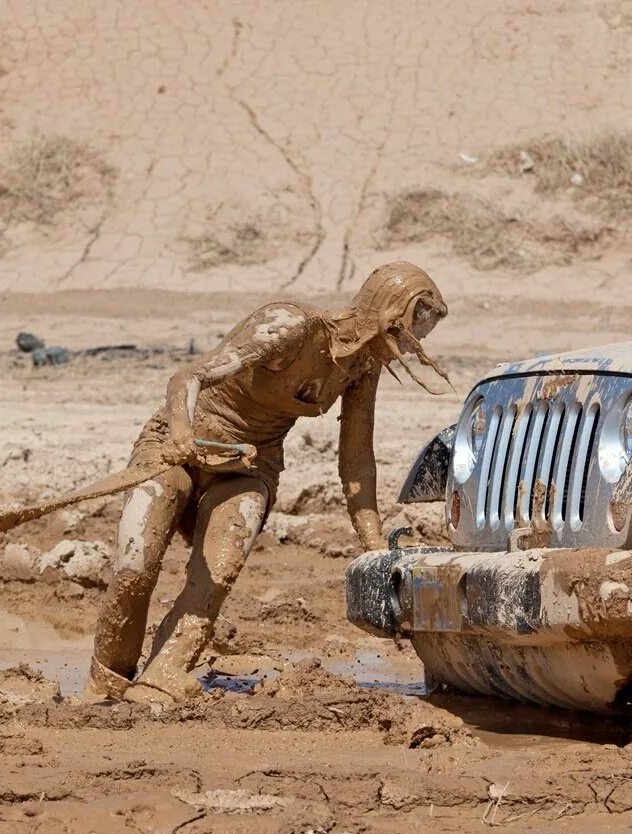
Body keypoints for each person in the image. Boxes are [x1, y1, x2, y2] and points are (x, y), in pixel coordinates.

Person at [85, 261, 449, 704]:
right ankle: (106, 685)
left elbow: (356, 461)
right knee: (134, 568)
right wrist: (183, 435)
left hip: (249, 468)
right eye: (412, 335)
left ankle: (161, 679)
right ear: (390, 314)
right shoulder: (290, 326)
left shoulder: (360, 370)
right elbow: (188, 377)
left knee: (214, 578)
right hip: (175, 448)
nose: (411, 351)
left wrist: (373, 546)